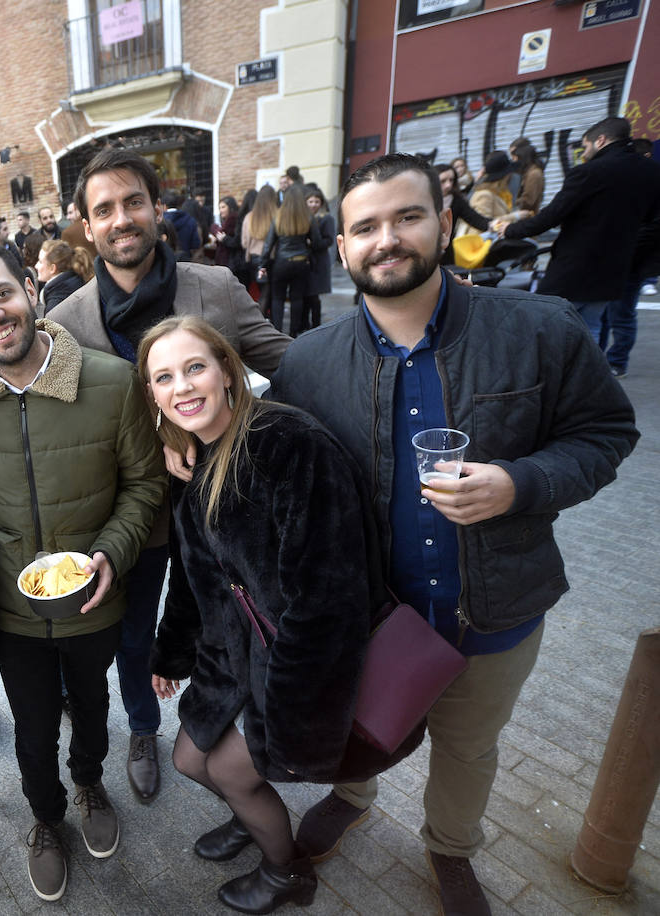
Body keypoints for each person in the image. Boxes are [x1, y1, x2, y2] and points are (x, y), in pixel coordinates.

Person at [269, 153, 638, 916]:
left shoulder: (539, 328)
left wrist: (521, 483)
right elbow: (266, 457)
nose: (387, 239)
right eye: (365, 227)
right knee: (359, 724)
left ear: (444, 222)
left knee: (468, 748)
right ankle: (351, 793)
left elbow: (605, 432)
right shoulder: (305, 365)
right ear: (341, 248)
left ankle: (450, 848)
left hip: (497, 609)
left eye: (406, 217)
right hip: (372, 614)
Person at [142, 315, 416, 913]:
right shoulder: (192, 462)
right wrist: (170, 653)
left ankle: (286, 871)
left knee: (236, 771)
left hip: (295, 662)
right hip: (231, 650)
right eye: (164, 377)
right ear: (153, 395)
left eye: (195, 368)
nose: (183, 387)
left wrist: (292, 709)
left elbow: (327, 599)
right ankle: (251, 815)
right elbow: (194, 578)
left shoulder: (289, 444)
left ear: (227, 372)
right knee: (190, 759)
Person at [52, 149, 290, 805]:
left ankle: (241, 749)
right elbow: (55, 416)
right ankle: (143, 729)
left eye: (133, 202)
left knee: (239, 625)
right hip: (134, 518)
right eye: (104, 209)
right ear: (86, 226)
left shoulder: (213, 288)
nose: (121, 219)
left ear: (158, 209)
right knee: (136, 637)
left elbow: (288, 365)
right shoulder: (68, 322)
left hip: (225, 507)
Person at [0, 241, 165, 902]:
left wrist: (111, 555)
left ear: (31, 288)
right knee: (33, 726)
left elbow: (145, 486)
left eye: (1, 293)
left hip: (97, 597)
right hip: (12, 614)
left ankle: (90, 778)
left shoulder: (111, 381)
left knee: (91, 704)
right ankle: (45, 818)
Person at [500, 117, 660, 379]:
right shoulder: (651, 172)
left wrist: (510, 230)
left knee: (544, 322)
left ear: (600, 140)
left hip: (573, 268)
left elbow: (552, 216)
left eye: (585, 146)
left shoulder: (589, 172)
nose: (584, 153)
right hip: (615, 269)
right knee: (591, 329)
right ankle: (585, 384)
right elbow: (651, 218)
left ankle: (545, 381)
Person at [260, 189, 322, 335]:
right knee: (297, 298)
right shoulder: (308, 218)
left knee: (277, 298)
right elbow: (317, 242)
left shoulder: (278, 217)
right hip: (301, 263)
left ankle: (277, 332)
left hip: (281, 263)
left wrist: (262, 264)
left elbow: (268, 244)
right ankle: (294, 333)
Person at [296, 184, 336, 334]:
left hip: (318, 261)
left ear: (321, 203)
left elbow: (329, 240)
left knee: (314, 295)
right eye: (310, 201)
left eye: (316, 202)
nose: (313, 204)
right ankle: (304, 323)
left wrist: (312, 243)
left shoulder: (326, 218)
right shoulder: (303, 217)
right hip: (305, 261)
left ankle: (316, 325)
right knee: (305, 294)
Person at [36, 239, 92, 312]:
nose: (36, 266)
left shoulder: (55, 304)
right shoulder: (77, 279)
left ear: (52, 268)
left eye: (40, 262)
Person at [507, 138, 545, 217]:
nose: (513, 159)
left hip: (527, 220)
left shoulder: (534, 174)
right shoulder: (524, 172)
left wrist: (508, 204)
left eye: (514, 155)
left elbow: (528, 201)